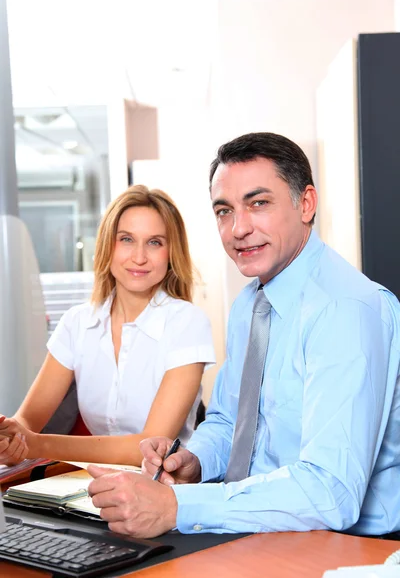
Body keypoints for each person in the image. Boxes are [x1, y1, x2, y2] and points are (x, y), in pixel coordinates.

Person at [87, 132, 400, 539]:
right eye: (223, 211)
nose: (238, 228)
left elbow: (331, 492)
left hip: (349, 545)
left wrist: (176, 506)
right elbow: (228, 421)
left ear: (306, 204)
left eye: (258, 203)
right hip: (257, 523)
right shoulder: (250, 304)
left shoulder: (346, 309)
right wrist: (194, 461)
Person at [0, 185, 215, 466]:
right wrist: (9, 436)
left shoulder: (187, 323)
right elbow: (27, 420)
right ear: (107, 245)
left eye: (155, 242)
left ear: (171, 252)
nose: (139, 257)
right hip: (90, 487)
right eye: (126, 239)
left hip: (166, 488)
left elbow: (149, 446)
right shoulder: (77, 323)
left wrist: (35, 443)